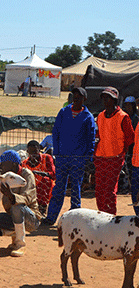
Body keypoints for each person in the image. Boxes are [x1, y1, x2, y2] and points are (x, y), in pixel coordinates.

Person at [41, 87, 96, 226]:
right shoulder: (64, 112)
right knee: (59, 187)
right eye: (74, 96)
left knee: (76, 188)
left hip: (78, 158)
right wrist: (57, 152)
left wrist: (88, 157)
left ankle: (75, 218)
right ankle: (51, 217)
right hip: (62, 157)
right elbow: (56, 132)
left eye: (79, 96)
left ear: (84, 99)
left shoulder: (88, 117)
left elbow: (91, 139)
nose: (76, 98)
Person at [0, 150, 42, 257]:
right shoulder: (5, 178)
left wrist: (11, 196)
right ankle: (16, 234)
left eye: (3, 163)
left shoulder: (27, 175)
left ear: (13, 165)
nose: (0, 166)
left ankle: (20, 244)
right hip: (12, 216)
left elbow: (27, 198)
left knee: (17, 207)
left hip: (31, 218)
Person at [94, 87, 134, 214]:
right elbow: (98, 135)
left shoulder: (123, 117)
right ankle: (102, 215)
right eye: (104, 98)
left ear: (114, 100)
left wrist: (121, 150)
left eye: (108, 98)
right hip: (100, 158)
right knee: (99, 191)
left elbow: (130, 138)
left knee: (109, 190)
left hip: (115, 158)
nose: (105, 100)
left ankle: (111, 217)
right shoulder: (100, 116)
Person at [22, 140, 55, 217]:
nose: (34, 155)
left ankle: (42, 208)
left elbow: (53, 174)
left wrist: (41, 173)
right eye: (31, 152)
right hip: (31, 188)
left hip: (46, 189)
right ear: (27, 152)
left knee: (46, 180)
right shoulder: (24, 164)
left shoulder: (46, 158)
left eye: (36, 152)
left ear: (39, 150)